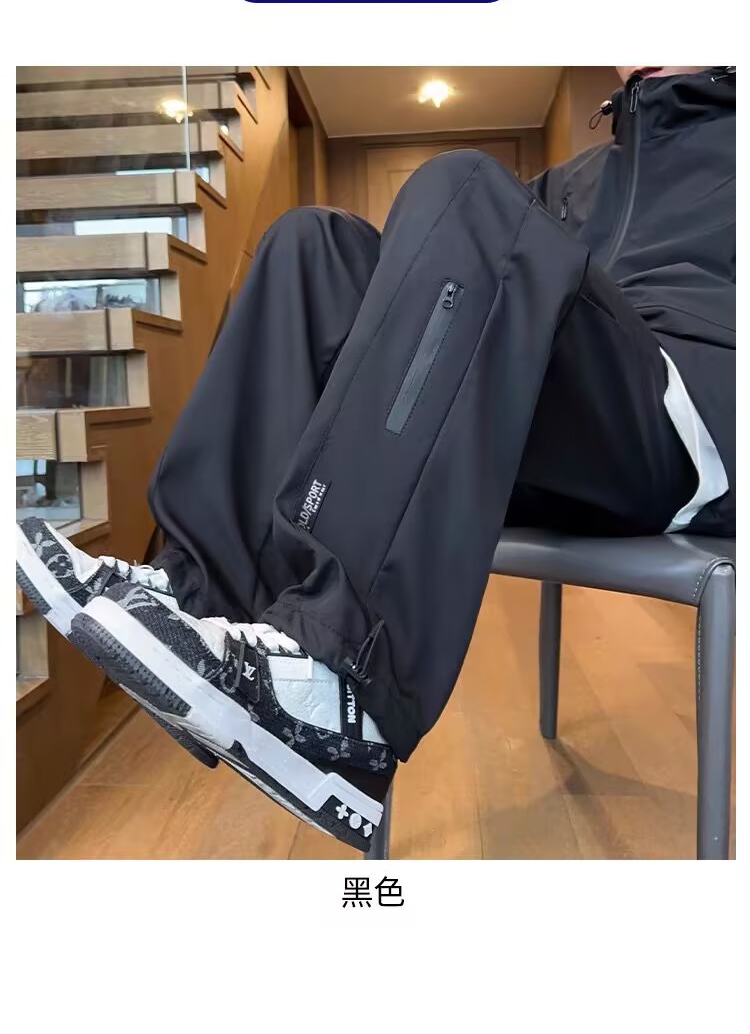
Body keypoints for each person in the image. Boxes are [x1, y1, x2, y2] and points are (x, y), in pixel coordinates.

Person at [16, 65, 735, 852]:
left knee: (464, 187)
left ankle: (342, 683)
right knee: (311, 244)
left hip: (688, 435)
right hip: (542, 446)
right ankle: (200, 597)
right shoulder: (579, 179)